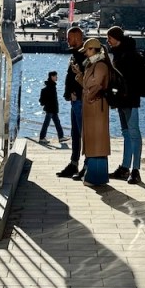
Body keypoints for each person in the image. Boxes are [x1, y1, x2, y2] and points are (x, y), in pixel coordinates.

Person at [106, 25, 143, 185]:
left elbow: (129, 78)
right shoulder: (118, 53)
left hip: (131, 100)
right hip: (121, 100)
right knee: (126, 133)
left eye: (110, 39)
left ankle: (135, 170)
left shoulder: (129, 54)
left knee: (133, 133)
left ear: (117, 39)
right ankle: (125, 167)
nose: (108, 42)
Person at [73, 37, 111, 186]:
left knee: (96, 142)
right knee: (94, 141)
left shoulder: (100, 65)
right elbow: (89, 86)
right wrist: (81, 74)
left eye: (87, 50)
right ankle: (94, 176)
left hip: (97, 106)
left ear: (93, 50)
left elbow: (95, 85)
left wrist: (87, 92)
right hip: (93, 106)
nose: (85, 54)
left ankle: (95, 178)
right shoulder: (93, 64)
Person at [56, 26, 85, 178]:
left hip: (80, 100)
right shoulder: (75, 55)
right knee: (75, 134)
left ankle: (86, 165)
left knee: (83, 134)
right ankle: (74, 164)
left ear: (78, 39)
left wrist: (75, 94)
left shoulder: (83, 56)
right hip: (74, 101)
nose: (67, 40)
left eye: (70, 38)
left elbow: (86, 79)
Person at [38, 71, 67, 144]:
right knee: (46, 123)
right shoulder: (51, 86)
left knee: (57, 123)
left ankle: (61, 137)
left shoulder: (52, 85)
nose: (57, 77)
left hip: (52, 109)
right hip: (50, 109)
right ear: (52, 77)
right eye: (56, 76)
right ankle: (42, 138)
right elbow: (51, 99)